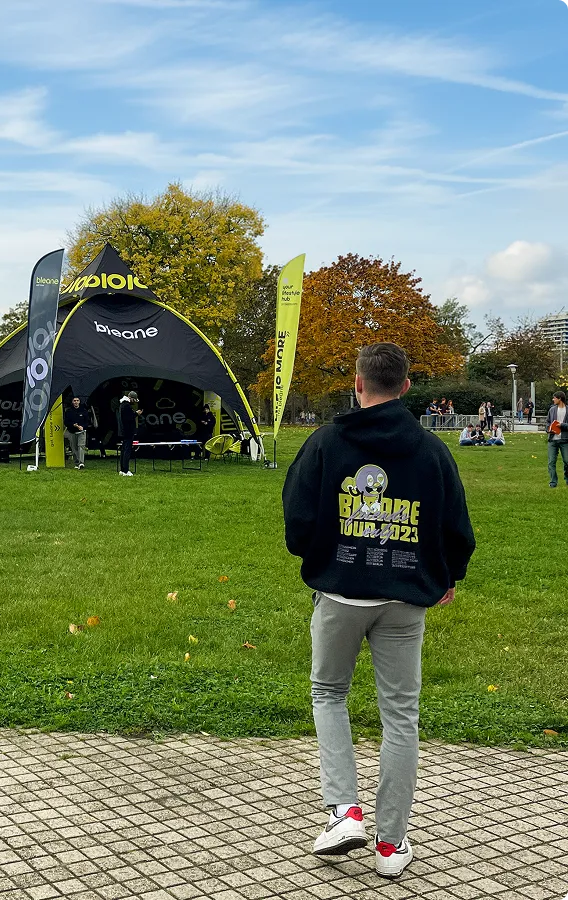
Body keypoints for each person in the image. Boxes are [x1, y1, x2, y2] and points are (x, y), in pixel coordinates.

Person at [282, 342, 475, 879]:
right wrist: (448, 575)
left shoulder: (325, 443)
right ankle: (390, 845)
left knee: (328, 693)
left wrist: (319, 557)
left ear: (358, 383)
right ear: (407, 387)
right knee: (400, 715)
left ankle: (344, 810)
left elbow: (296, 518)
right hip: (405, 599)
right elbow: (455, 524)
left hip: (341, 593)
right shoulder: (431, 450)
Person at [546, 391, 568, 488]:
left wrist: (561, 425)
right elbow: (547, 422)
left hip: (565, 440)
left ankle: (567, 479)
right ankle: (553, 482)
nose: (553, 399)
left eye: (554, 398)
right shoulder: (552, 410)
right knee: (551, 462)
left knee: (567, 461)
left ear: (560, 399)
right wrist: (549, 429)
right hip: (553, 440)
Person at [63, 396, 88, 469]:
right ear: (72, 402)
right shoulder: (69, 411)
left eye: (77, 400)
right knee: (74, 448)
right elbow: (66, 422)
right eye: (74, 400)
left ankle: (81, 463)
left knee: (81, 446)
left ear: (79, 402)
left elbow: (87, 422)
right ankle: (77, 462)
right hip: (72, 432)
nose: (76, 402)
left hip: (81, 432)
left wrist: (83, 427)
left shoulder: (84, 411)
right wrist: (73, 425)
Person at [118, 391, 141, 476]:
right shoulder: (126, 406)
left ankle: (122, 469)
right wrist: (136, 414)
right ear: (131, 398)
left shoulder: (122, 405)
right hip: (128, 432)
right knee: (127, 451)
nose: (134, 402)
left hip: (124, 431)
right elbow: (128, 418)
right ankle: (126, 470)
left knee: (123, 450)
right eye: (134, 400)